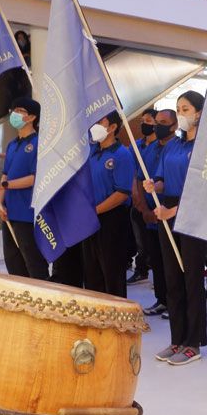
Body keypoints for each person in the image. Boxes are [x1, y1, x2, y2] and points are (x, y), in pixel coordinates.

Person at [144, 91, 207, 366]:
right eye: (178, 109)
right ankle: (177, 338)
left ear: (199, 113)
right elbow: (162, 178)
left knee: (191, 278)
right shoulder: (173, 145)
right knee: (172, 277)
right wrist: (154, 186)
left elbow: (203, 189)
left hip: (191, 212)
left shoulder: (205, 147)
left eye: (186, 109)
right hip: (167, 210)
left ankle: (193, 342)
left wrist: (174, 211)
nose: (181, 114)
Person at [0, 98, 48, 280]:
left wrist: (2, 186)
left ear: (32, 117)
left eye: (20, 111)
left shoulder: (39, 143)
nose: (15, 114)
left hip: (28, 212)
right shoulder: (12, 145)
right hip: (10, 212)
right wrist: (0, 204)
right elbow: (5, 174)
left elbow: (34, 178)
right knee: (13, 260)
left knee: (33, 259)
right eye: (14, 109)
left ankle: (41, 297)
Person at [82, 112, 136, 298]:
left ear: (112, 127)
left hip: (112, 218)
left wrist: (95, 210)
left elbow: (122, 193)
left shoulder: (122, 155)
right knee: (92, 269)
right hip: (89, 218)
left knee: (111, 270)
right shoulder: (92, 152)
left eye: (99, 122)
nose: (94, 126)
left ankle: (117, 317)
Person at [136, 108, 177, 316]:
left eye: (162, 122)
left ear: (174, 126)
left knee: (173, 262)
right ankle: (161, 299)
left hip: (171, 212)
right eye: (156, 122)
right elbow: (140, 178)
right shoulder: (150, 149)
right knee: (157, 260)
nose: (157, 126)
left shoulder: (176, 148)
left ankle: (175, 302)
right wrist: (144, 208)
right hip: (151, 213)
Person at [127, 109, 157, 286]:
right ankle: (141, 269)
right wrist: (135, 193)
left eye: (148, 121)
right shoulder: (135, 146)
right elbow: (132, 170)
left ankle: (156, 270)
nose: (144, 124)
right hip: (137, 197)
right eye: (142, 120)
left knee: (154, 239)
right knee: (140, 238)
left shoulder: (160, 146)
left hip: (154, 198)